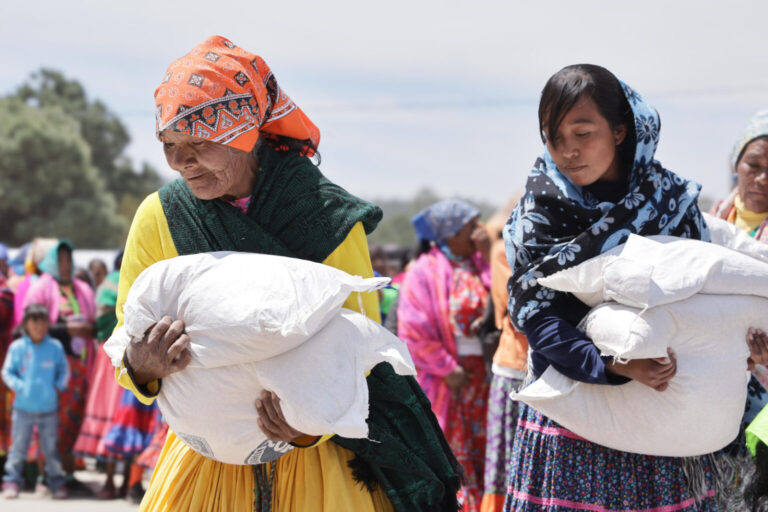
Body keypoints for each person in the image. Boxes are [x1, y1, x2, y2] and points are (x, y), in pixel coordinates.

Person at [113, 35, 460, 512]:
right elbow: (122, 335)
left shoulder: (326, 215)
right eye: (170, 145)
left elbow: (357, 346)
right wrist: (141, 366)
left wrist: (307, 426)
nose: (182, 163)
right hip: (207, 456)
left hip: (316, 460)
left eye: (198, 143)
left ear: (242, 133)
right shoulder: (161, 217)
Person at [501, 64, 754, 511]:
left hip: (666, 415)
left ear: (620, 131)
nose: (567, 151)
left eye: (582, 133)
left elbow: (705, 292)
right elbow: (541, 318)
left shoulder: (669, 201)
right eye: (553, 136)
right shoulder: (540, 212)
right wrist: (614, 366)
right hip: (574, 416)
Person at [397, 199, 492, 512]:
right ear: (451, 233)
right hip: (448, 382)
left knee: (488, 451)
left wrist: (490, 257)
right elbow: (413, 330)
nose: (478, 233)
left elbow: (503, 302)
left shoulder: (482, 264)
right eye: (471, 227)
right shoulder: (424, 272)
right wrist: (447, 367)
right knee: (453, 451)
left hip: (485, 381)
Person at [709, 109, 768, 508]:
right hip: (713, 383)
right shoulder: (712, 219)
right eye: (754, 164)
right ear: (736, 164)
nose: (762, 177)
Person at [24, 239, 96, 493]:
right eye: (60, 259)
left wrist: (89, 329)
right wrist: (67, 329)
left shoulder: (82, 289)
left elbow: (94, 321)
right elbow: (30, 327)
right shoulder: (41, 288)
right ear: (51, 262)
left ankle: (67, 473)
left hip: (78, 368)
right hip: (49, 366)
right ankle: (46, 476)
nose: (65, 265)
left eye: (68, 259)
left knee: (73, 419)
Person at [478, 207, 529, 512]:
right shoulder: (503, 250)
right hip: (516, 369)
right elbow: (516, 311)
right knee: (510, 465)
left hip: (556, 369)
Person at [1, 303, 69, 500]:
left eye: (43, 321)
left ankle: (56, 482)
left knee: (50, 449)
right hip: (23, 408)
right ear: (26, 324)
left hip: (49, 408)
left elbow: (64, 371)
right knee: (18, 448)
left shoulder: (55, 347)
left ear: (49, 323)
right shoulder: (17, 347)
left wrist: (58, 386)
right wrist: (19, 386)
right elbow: (7, 371)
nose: (39, 326)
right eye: (35, 321)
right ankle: (12, 481)